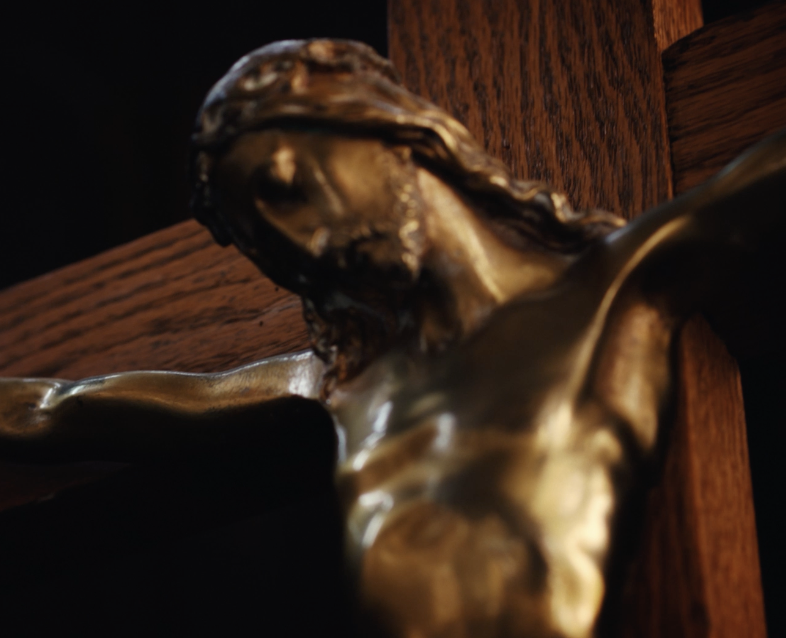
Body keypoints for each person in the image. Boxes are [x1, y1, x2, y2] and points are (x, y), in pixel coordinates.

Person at [0, 39, 784, 638]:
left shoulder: (620, 284)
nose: (298, 246)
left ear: (384, 128)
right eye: (262, 240)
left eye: (284, 187)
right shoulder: (338, 390)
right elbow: (57, 407)